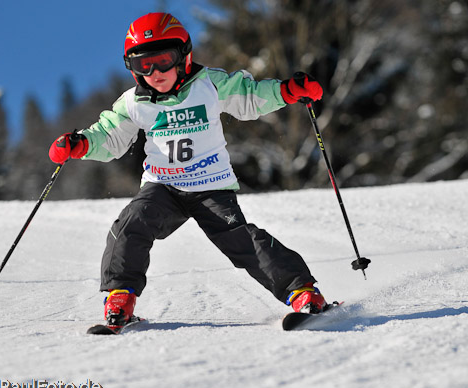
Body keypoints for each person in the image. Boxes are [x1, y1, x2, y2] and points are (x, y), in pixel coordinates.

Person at [49, 12, 327, 328]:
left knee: (241, 238)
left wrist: (286, 91)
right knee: (131, 223)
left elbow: (248, 96)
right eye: (143, 65)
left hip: (211, 184)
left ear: (184, 56)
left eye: (163, 60)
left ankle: (303, 293)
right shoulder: (133, 102)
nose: (155, 72)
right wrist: (82, 144)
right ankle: (120, 298)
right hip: (162, 186)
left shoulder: (208, 83)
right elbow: (110, 136)